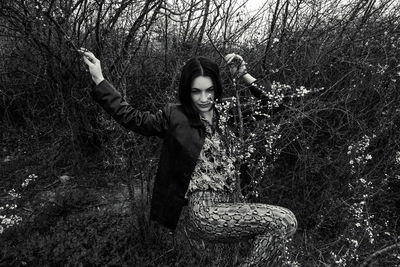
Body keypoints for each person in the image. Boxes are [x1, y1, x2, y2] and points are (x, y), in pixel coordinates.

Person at [79, 48, 297, 266]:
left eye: (210, 90)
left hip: (236, 202)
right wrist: (99, 79)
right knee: (284, 221)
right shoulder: (176, 116)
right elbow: (133, 118)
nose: (204, 99)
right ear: (187, 91)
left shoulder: (227, 111)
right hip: (206, 210)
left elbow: (274, 104)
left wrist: (243, 74)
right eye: (196, 92)